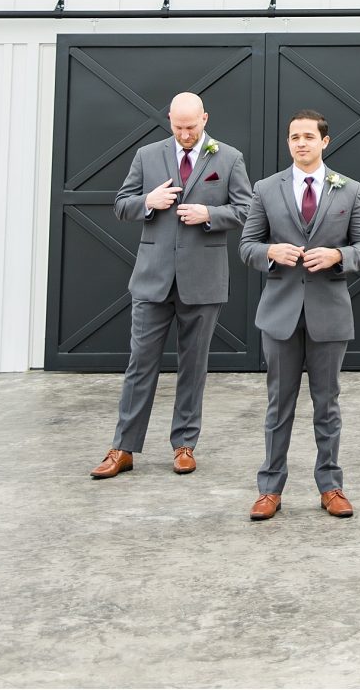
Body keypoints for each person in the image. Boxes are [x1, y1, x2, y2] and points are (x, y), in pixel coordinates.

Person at [90, 91, 252, 480]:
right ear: (169, 121)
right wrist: (149, 200)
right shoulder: (147, 156)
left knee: (193, 367)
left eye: (191, 127)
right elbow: (121, 203)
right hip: (152, 279)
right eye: (178, 127)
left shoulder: (228, 157)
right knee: (139, 364)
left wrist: (209, 213)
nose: (185, 135)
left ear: (205, 119)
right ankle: (123, 447)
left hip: (203, 280)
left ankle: (184, 445)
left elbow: (247, 209)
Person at [239, 110, 360, 521]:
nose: (300, 143)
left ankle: (331, 486)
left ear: (325, 142)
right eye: (294, 137)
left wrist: (339, 256)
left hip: (329, 315)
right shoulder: (265, 189)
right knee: (278, 405)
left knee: (327, 404)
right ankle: (270, 488)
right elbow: (247, 244)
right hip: (279, 314)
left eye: (308, 137)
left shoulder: (349, 190)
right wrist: (268, 252)